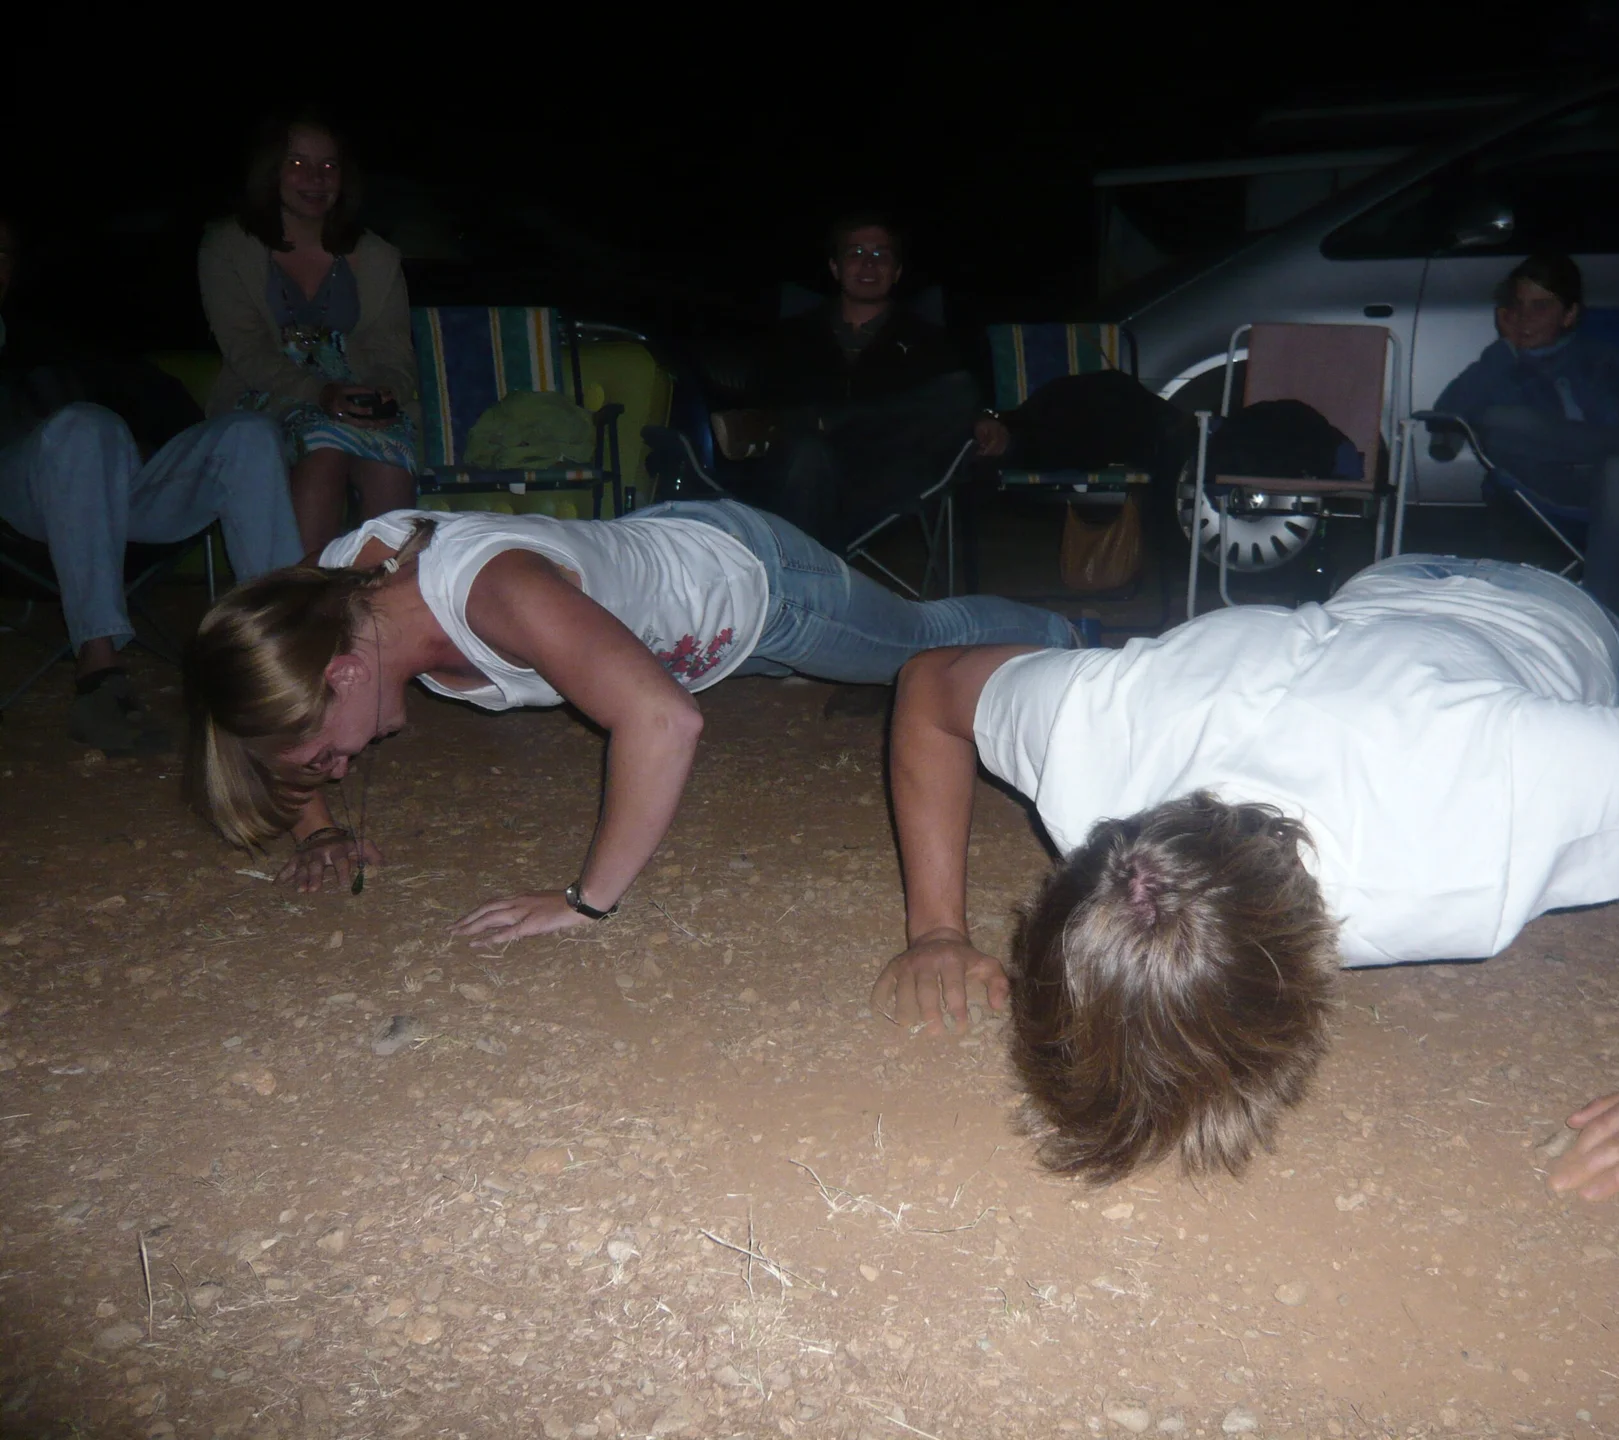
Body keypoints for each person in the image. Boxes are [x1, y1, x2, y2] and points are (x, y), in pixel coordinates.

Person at [869, 554, 1619, 1203]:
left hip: (1559, 627)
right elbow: (930, 684)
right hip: (1381, 592)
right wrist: (935, 929)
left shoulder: (1498, 793)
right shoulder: (1094, 730)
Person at [183, 497, 1076, 941]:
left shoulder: (496, 596)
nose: (335, 769)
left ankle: (1079, 646)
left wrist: (585, 902)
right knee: (911, 654)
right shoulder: (331, 592)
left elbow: (662, 721)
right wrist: (317, 827)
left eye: (327, 760)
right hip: (682, 612)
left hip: (755, 586)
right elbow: (266, 693)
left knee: (924, 649)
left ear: (345, 673)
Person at [0, 212, 301, 753]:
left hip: (114, 486)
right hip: (16, 501)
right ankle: (99, 676)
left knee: (248, 435)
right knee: (83, 429)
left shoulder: (45, 335)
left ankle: (283, 652)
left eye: (0, 253)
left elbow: (153, 396)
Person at [1429, 252, 1619, 614]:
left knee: (1618, 466)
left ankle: (1598, 618)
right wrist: (1504, 350)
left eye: (1541, 306)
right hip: (1542, 483)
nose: (1525, 318)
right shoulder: (1499, 364)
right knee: (1502, 419)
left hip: (1614, 483)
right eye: (1518, 305)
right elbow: (1445, 415)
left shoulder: (1601, 358)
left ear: (1570, 315)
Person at [199, 113, 420, 556]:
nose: (316, 179)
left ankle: (388, 606)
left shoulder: (376, 255)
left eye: (329, 166)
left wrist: (381, 393)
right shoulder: (227, 247)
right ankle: (304, 605)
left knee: (389, 460)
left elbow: (393, 349)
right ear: (271, 172)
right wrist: (320, 393)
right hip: (266, 395)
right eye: (298, 164)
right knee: (324, 451)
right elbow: (245, 349)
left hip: (354, 398)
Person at [721, 214, 979, 549]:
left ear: (897, 272)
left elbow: (952, 407)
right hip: (802, 472)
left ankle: (828, 422)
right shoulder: (791, 337)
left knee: (959, 389)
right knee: (806, 453)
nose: (868, 265)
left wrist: (989, 418)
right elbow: (761, 404)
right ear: (835, 267)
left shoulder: (930, 341)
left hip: (882, 481)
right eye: (855, 254)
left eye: (880, 255)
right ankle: (815, 586)